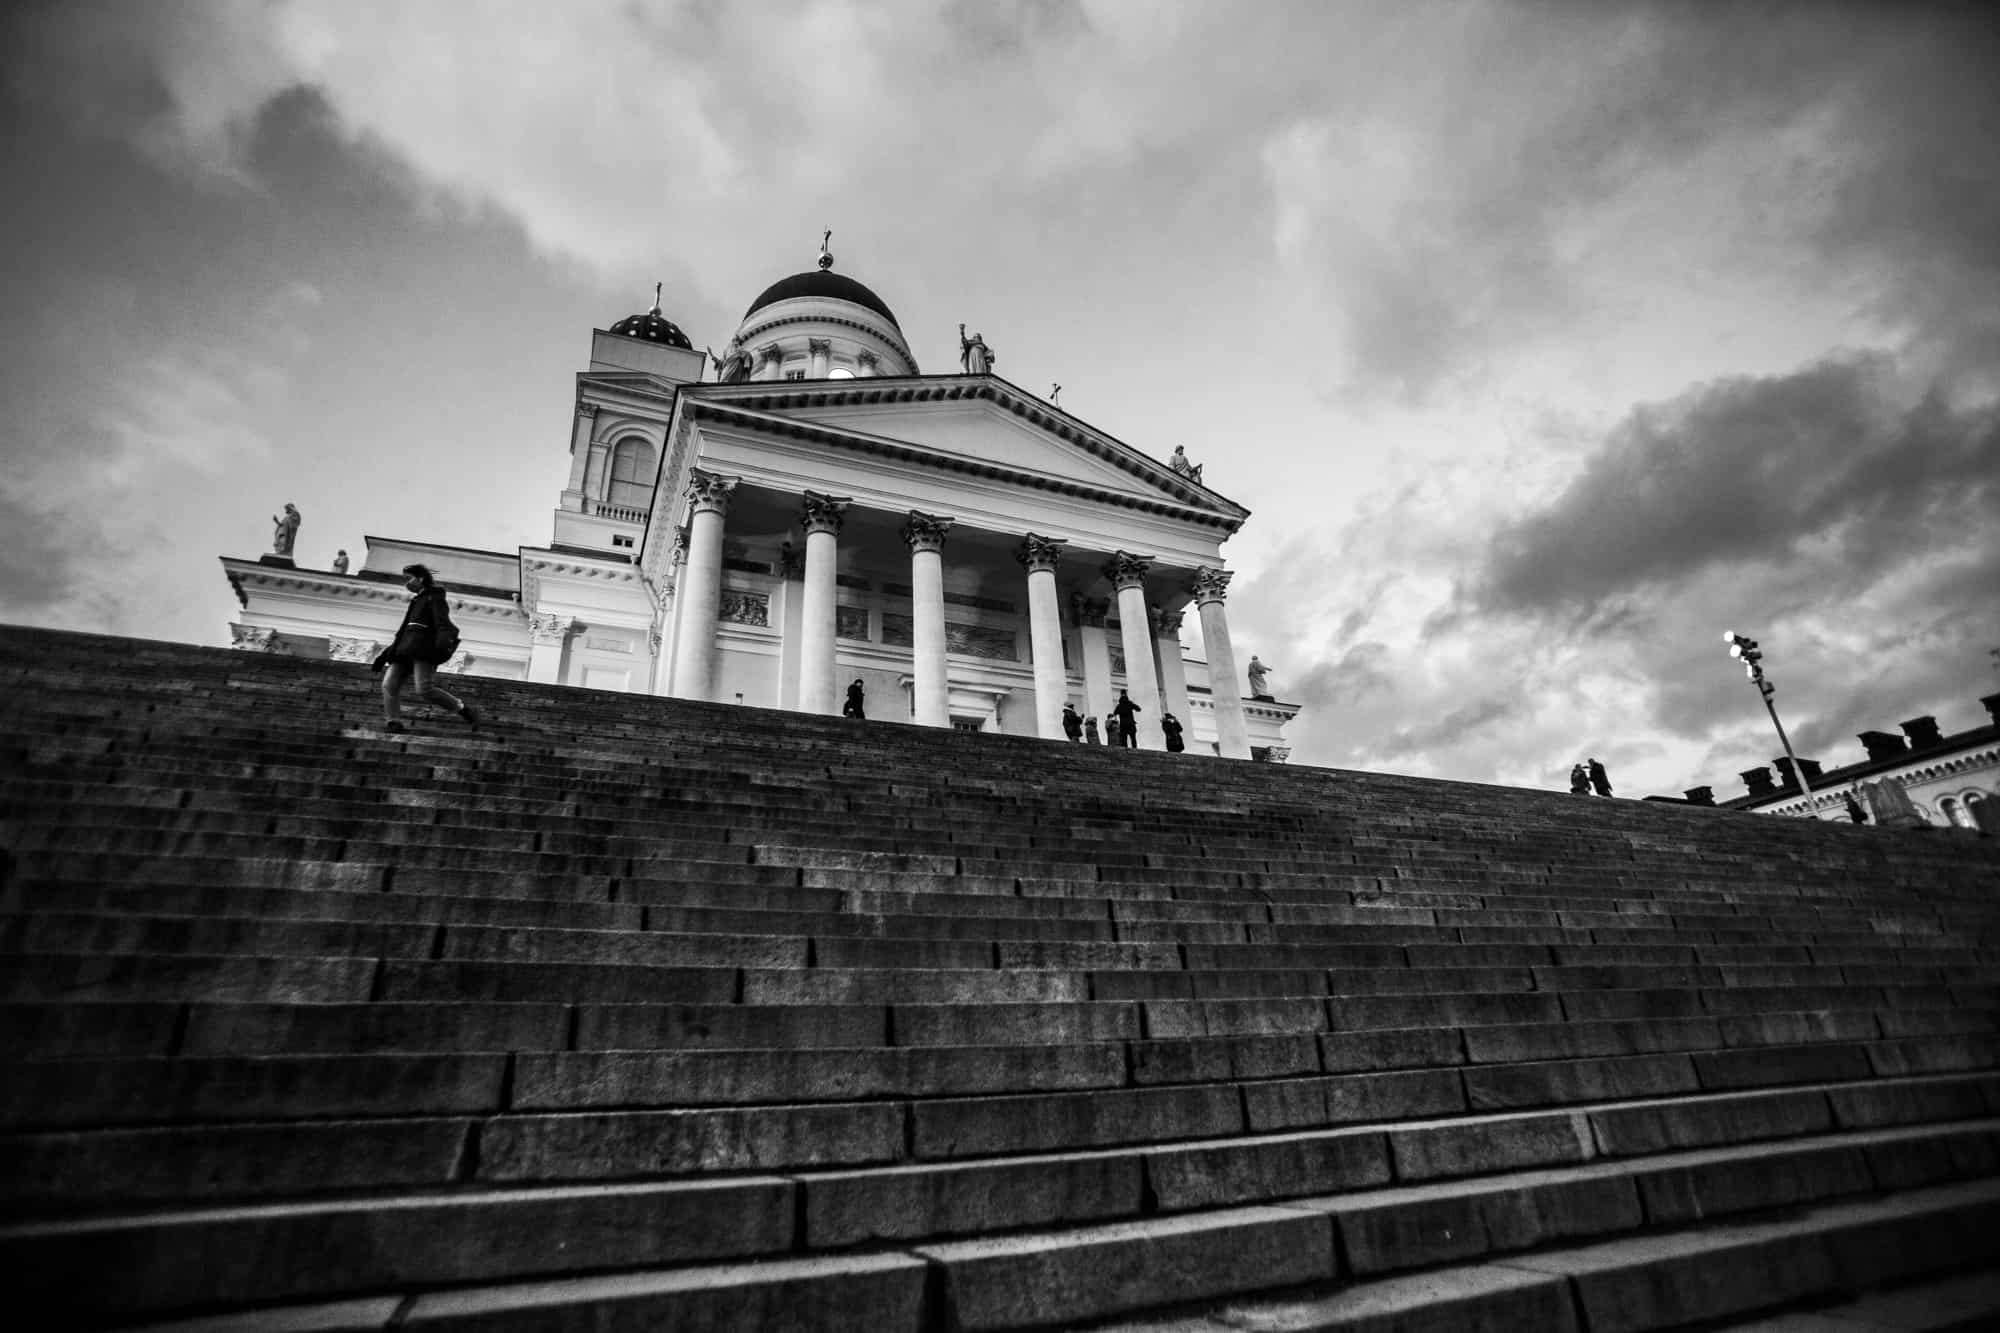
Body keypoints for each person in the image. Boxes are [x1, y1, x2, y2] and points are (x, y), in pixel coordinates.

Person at [373, 563, 479, 734]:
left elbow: (442, 623)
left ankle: (462, 708)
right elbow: (403, 631)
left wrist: (442, 644)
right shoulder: (416, 600)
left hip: (424, 650)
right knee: (388, 684)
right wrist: (384, 655)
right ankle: (393, 721)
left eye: (409, 579)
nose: (406, 583)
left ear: (421, 578)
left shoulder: (434, 597)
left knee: (424, 689)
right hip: (403, 651)